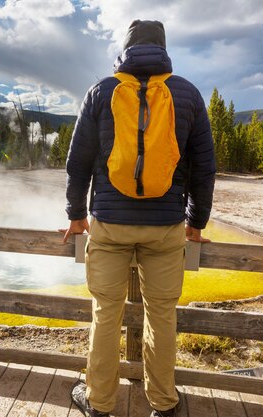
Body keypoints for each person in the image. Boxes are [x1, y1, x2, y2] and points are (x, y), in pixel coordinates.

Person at [62, 19, 216, 417]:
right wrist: (195, 224)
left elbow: (78, 162)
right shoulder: (187, 94)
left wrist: (76, 216)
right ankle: (164, 405)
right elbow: (203, 168)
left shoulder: (101, 91)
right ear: (163, 48)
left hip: (110, 225)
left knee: (105, 315)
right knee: (162, 317)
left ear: (126, 49)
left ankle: (98, 403)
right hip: (165, 227)